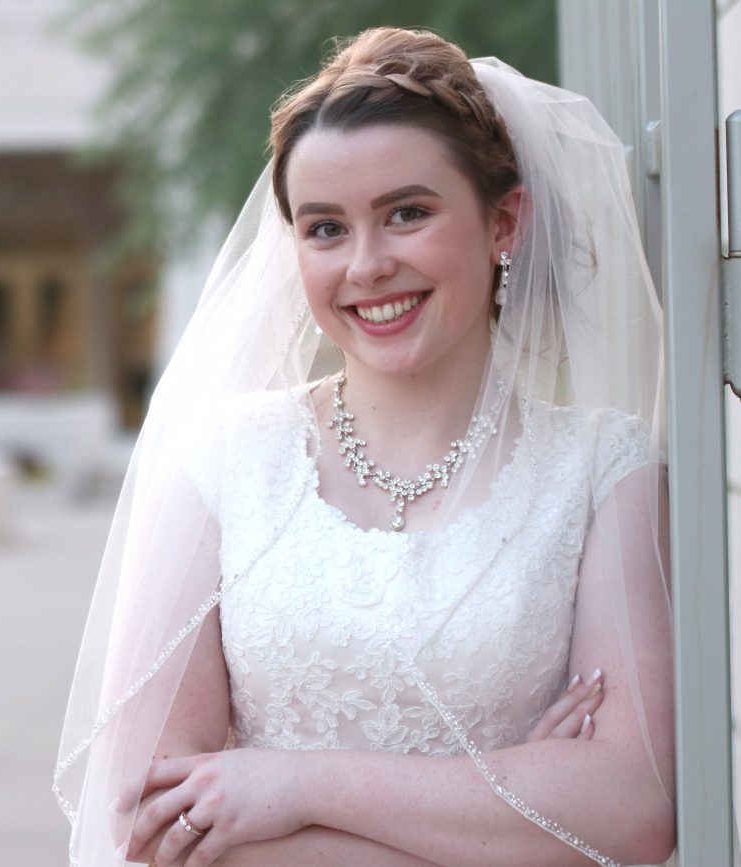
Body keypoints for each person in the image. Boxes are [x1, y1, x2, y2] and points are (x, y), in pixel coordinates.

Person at [55, 26, 675, 867]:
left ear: (504, 221)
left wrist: (291, 785)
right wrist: (517, 800)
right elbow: (148, 826)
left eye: (407, 213)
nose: (368, 264)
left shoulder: (607, 471)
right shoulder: (220, 458)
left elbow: (634, 806)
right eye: (325, 229)